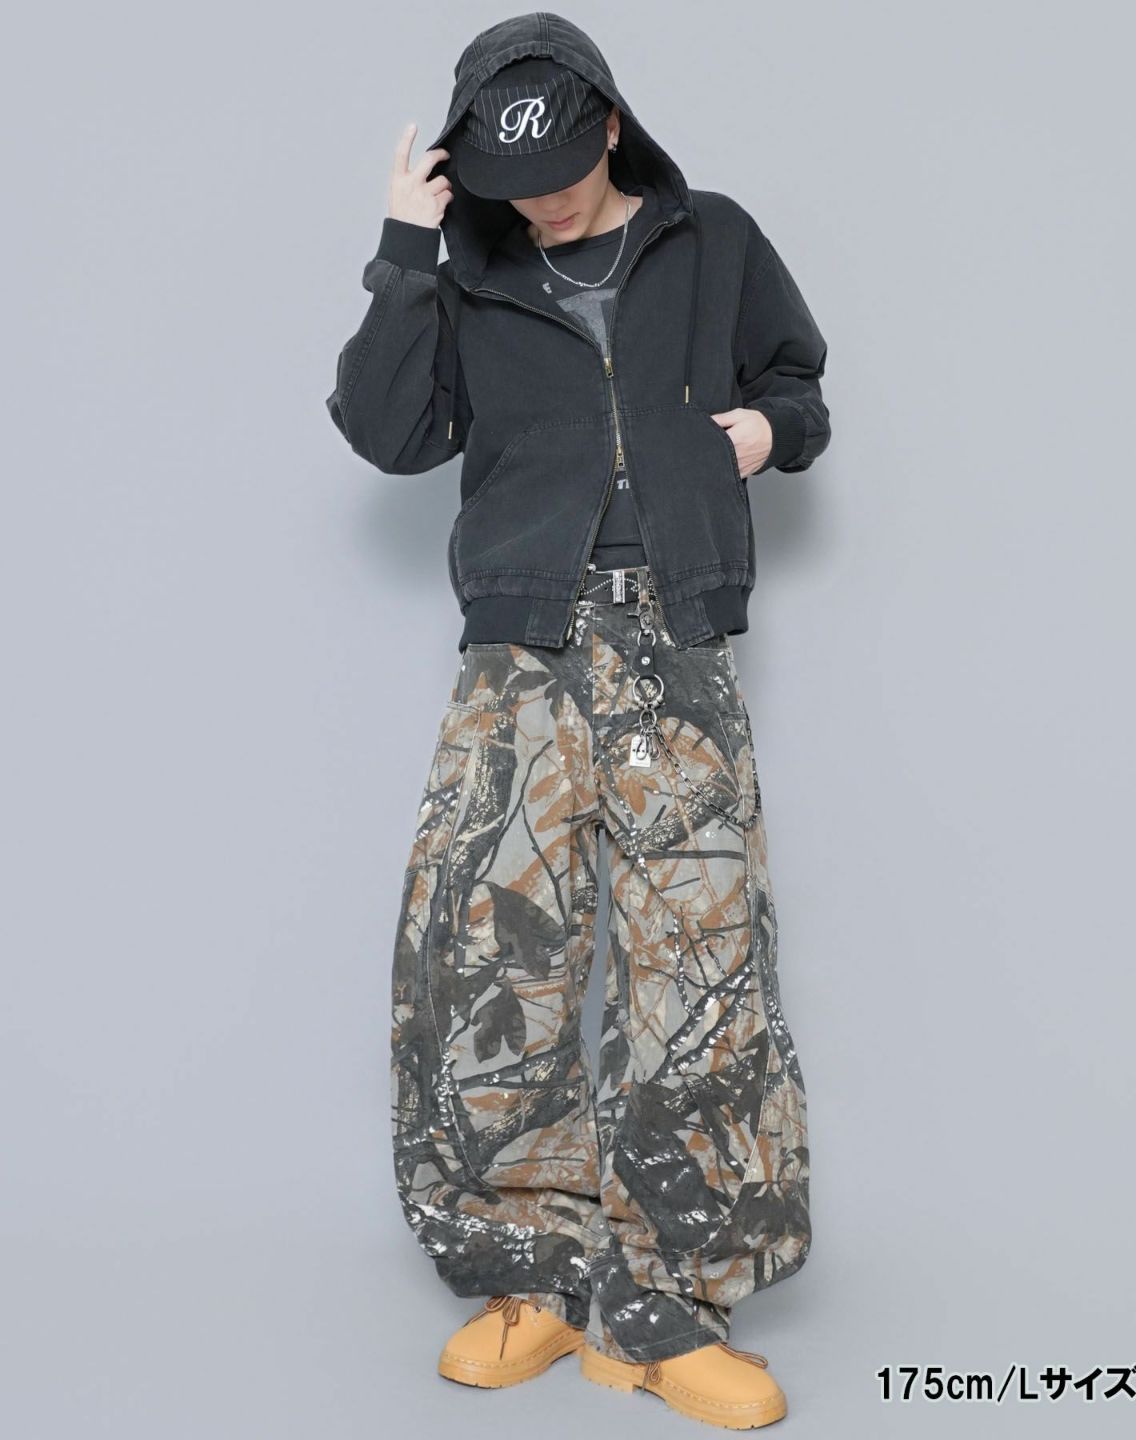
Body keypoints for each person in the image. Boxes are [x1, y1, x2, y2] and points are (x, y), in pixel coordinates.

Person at [326, 12, 830, 1430]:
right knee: (495, 955)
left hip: (676, 633)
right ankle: (530, 1277)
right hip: (522, 644)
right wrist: (406, 248)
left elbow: (798, 385)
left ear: (612, 126)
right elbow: (385, 432)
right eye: (511, 185)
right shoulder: (466, 271)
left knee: (700, 961)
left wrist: (768, 433)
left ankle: (666, 1306)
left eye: (558, 173)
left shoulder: (712, 239)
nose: (540, 204)